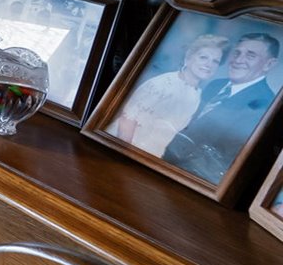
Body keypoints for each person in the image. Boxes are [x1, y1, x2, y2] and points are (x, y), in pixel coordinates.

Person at [163, 31, 280, 184]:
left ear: (269, 64)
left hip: (193, 179)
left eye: (250, 56)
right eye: (237, 53)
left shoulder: (265, 105)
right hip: (165, 159)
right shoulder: (216, 84)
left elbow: (226, 161)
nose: (238, 60)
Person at [111, 32, 228, 158]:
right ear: (188, 57)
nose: (209, 64)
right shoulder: (162, 85)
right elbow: (127, 119)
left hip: (152, 156)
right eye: (203, 57)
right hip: (125, 149)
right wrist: (125, 155)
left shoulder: (197, 94)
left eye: (215, 61)